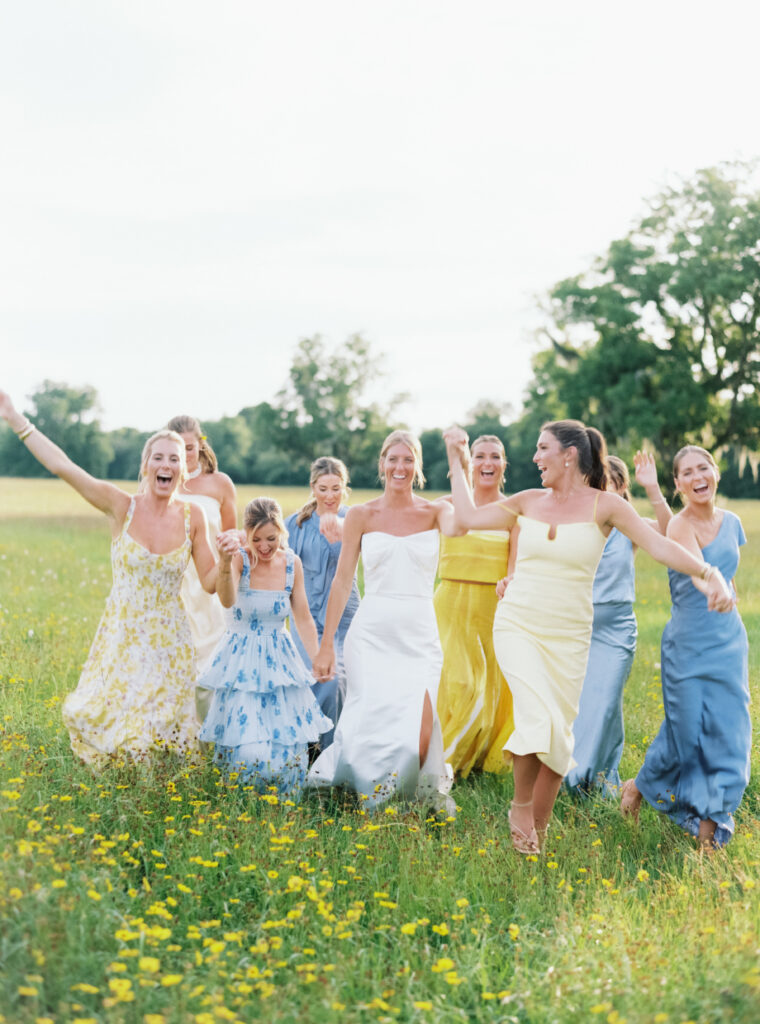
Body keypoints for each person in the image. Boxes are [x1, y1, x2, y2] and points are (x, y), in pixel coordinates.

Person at [443, 421, 734, 854]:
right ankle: (520, 807)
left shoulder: (606, 506)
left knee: (560, 739)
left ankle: (535, 836)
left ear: (569, 455)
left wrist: (709, 574)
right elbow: (465, 518)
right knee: (537, 719)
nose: (536, 457)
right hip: (518, 623)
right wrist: (457, 456)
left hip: (570, 635)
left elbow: (658, 546)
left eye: (543, 449)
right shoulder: (526, 501)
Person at [0, 391, 219, 765]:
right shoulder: (121, 507)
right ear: (146, 465)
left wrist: (232, 560)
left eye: (175, 458)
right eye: (158, 457)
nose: (165, 464)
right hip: (123, 634)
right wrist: (14, 418)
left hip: (170, 639)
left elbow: (212, 581)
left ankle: (157, 788)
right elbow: (64, 467)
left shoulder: (192, 517)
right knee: (121, 736)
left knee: (164, 739)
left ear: (184, 470)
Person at [307, 430, 459, 810]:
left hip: (420, 634)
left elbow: (464, 523)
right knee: (370, 722)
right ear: (381, 464)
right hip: (372, 634)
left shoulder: (437, 512)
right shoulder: (360, 514)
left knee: (420, 732)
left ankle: (408, 794)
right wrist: (327, 645)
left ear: (418, 466)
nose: (400, 466)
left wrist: (459, 458)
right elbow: (343, 582)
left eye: (408, 459)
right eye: (393, 459)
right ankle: (368, 797)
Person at [620, 446, 750, 849]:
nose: (698, 476)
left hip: (729, 643)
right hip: (687, 648)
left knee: (728, 738)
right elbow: (695, 569)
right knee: (687, 736)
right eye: (688, 472)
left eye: (704, 467)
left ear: (715, 473)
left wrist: (727, 594)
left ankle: (709, 838)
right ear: (678, 484)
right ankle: (640, 785)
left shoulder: (733, 523)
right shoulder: (677, 526)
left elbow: (728, 571)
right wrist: (711, 583)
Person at [198, 498, 332, 794]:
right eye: (256, 539)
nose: (263, 546)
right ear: (246, 534)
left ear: (281, 532)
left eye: (271, 538)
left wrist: (318, 657)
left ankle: (284, 800)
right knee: (249, 751)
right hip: (241, 661)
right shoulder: (238, 559)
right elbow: (228, 600)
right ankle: (244, 799)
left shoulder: (291, 564)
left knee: (288, 751)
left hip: (279, 660)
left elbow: (304, 618)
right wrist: (223, 562)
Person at [564, 453, 672, 796]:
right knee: (580, 705)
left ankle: (594, 777)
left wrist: (653, 489)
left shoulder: (631, 525)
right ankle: (576, 776)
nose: (595, 487)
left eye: (603, 480)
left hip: (617, 628)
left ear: (621, 486)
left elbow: (672, 533)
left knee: (607, 702)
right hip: (577, 625)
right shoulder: (577, 523)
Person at [435, 435, 514, 776]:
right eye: (479, 456)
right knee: (460, 684)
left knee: (487, 691)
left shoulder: (513, 511)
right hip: (450, 606)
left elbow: (516, 565)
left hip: (492, 610)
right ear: (469, 462)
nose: (487, 463)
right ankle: (440, 761)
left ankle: (476, 760)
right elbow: (398, 525)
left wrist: (512, 580)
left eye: (494, 457)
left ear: (503, 465)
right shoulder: (446, 505)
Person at [285, 457, 360, 746]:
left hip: (345, 621)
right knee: (308, 680)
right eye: (323, 489)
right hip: (306, 621)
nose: (330, 496)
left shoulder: (355, 519)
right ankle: (306, 746)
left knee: (335, 684)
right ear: (313, 488)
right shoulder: (295, 524)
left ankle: (331, 752)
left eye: (336, 489)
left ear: (345, 489)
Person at [166, 415, 237, 677]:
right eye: (177, 450)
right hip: (174, 580)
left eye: (189, 448)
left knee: (214, 665)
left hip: (211, 579)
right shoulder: (160, 483)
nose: (185, 456)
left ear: (201, 445)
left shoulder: (220, 483)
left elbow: (231, 536)